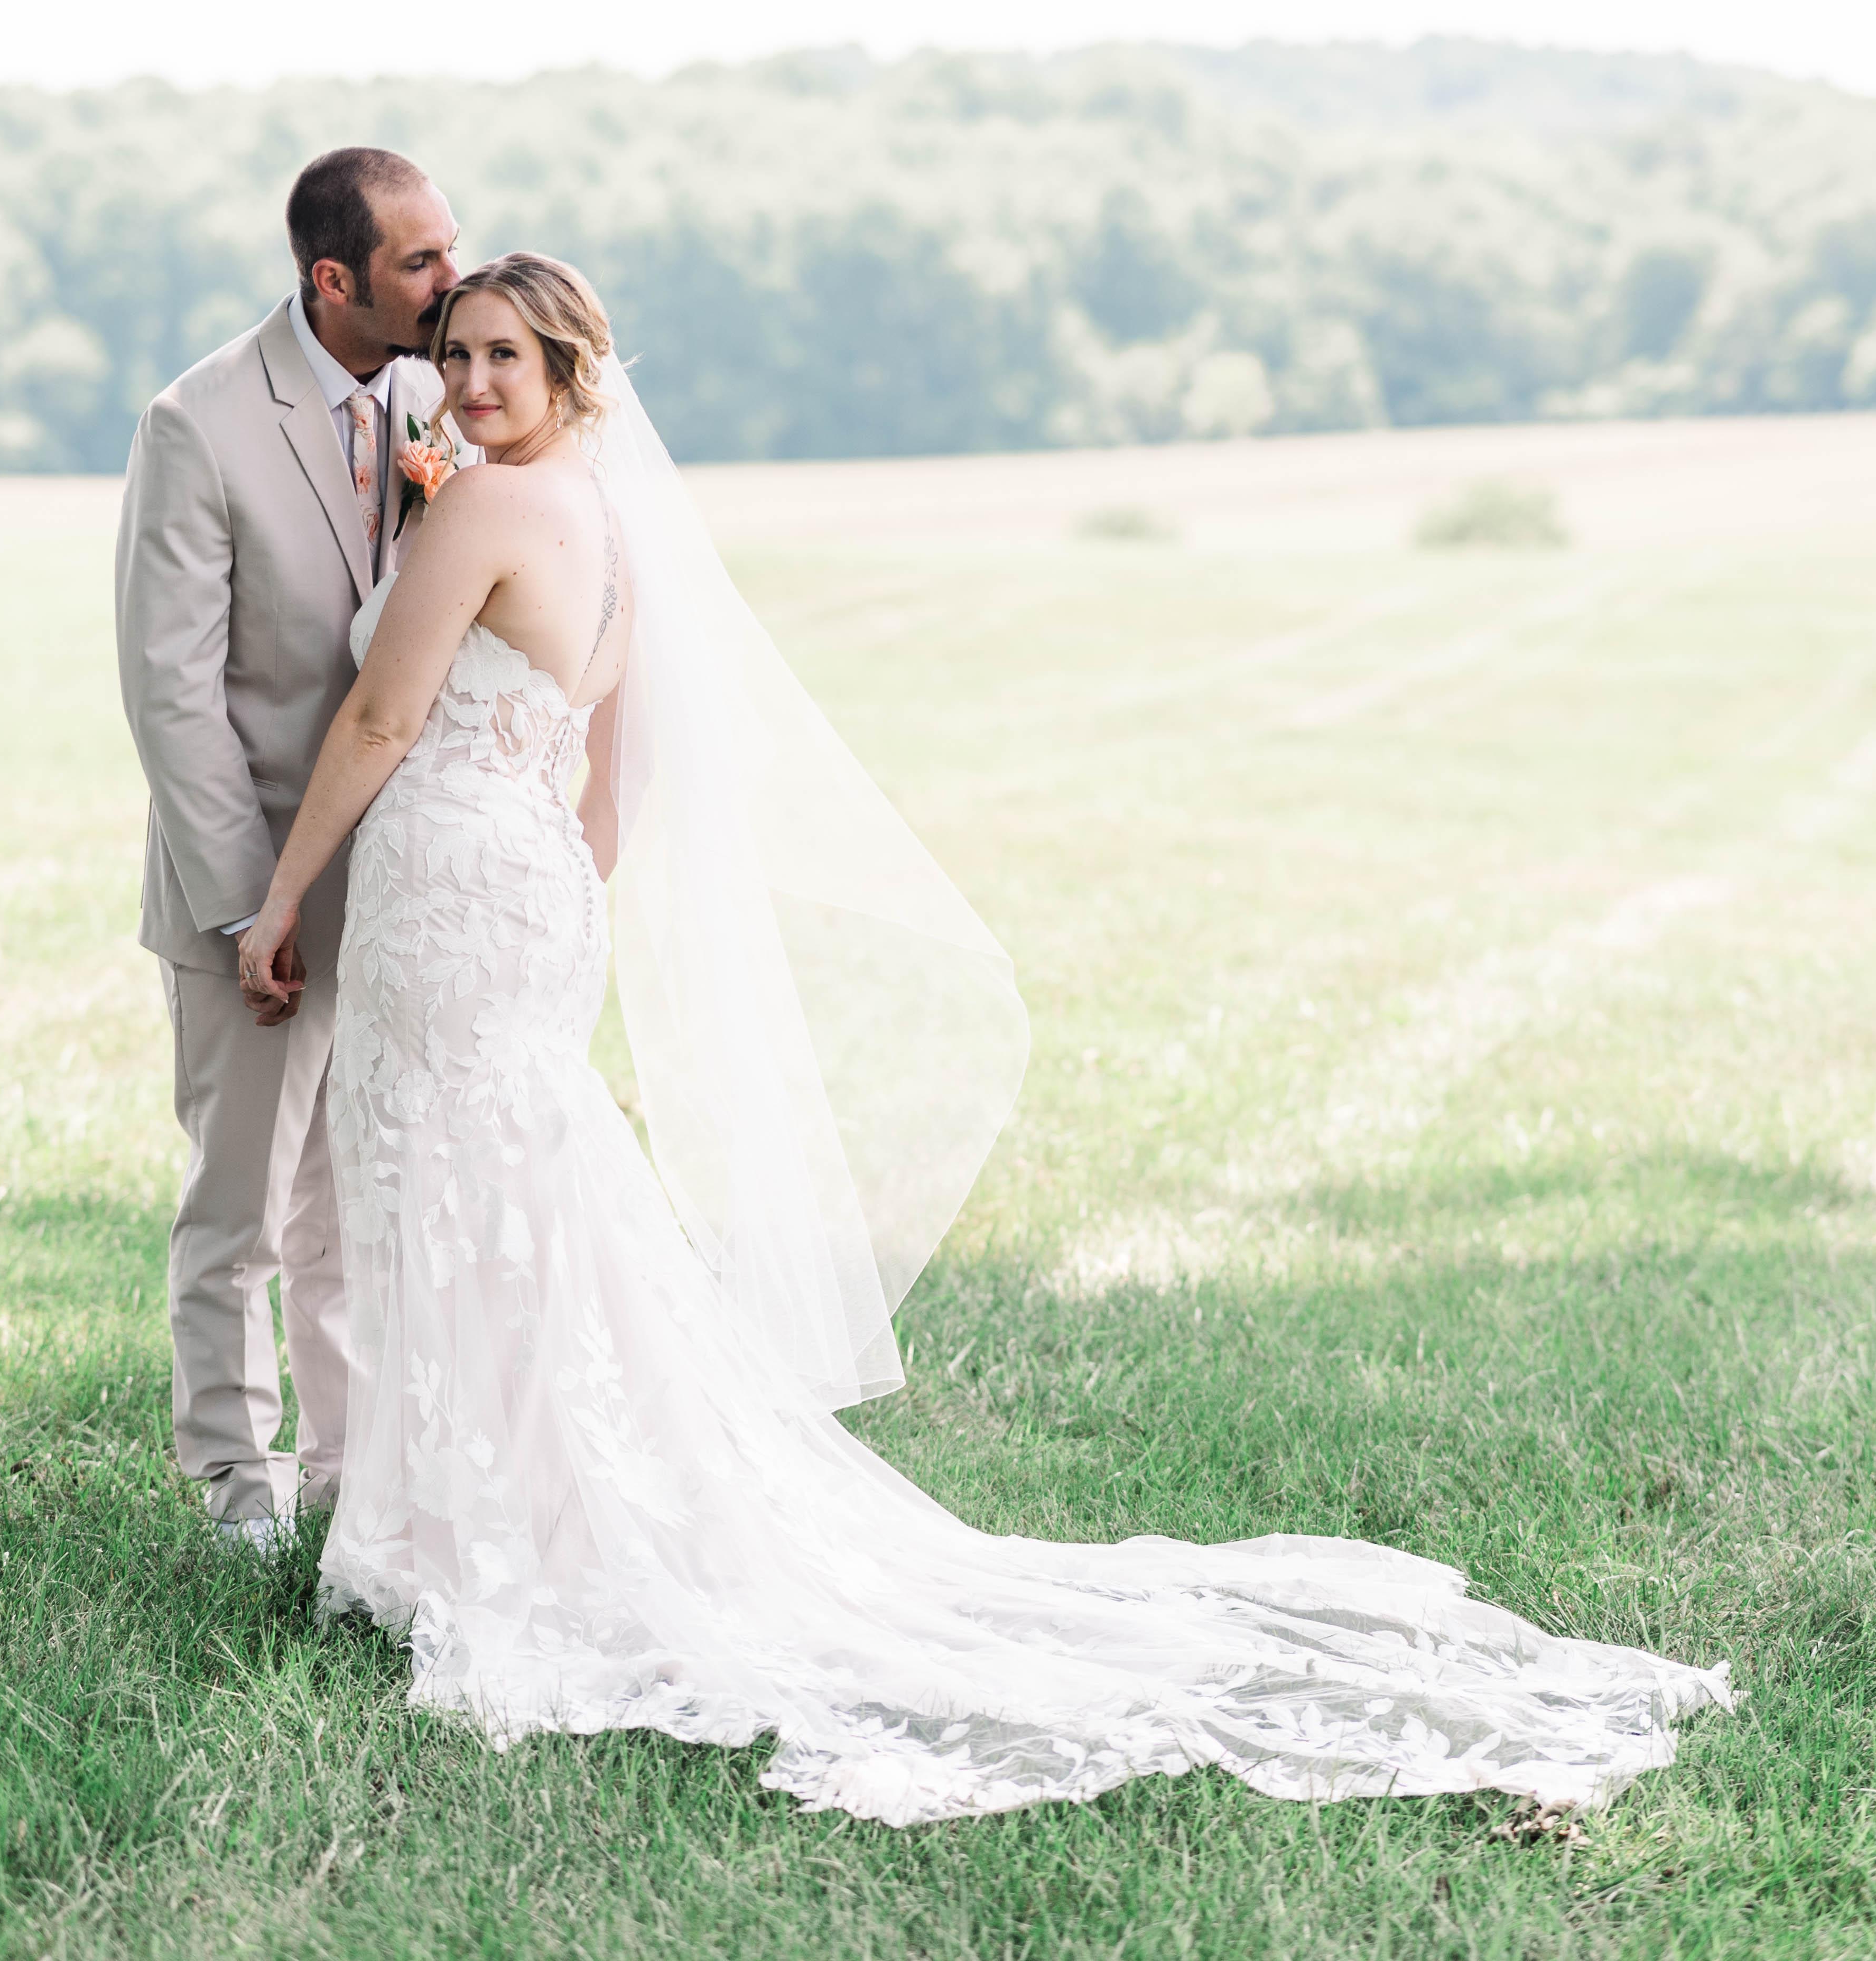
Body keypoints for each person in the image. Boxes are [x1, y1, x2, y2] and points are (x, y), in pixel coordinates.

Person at [233, 251, 1731, 1826]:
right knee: (518, 1186)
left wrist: (281, 901)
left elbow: (384, 719)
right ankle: (512, 1506)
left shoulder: (485, 507)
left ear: (566, 372)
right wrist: (552, 880)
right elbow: (619, 772)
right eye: (458, 355)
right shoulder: (608, 524)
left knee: (458, 1185)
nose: (472, 385)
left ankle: (474, 1532)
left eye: (505, 360)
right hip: (528, 884)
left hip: (454, 877)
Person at [113, 147, 461, 1549]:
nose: (451, 280)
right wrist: (254, 907)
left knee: (353, 1211)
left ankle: (345, 1477)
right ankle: (231, 1492)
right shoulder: (197, 423)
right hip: (251, 888)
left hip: (404, 890)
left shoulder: (443, 395)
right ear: (334, 279)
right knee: (241, 1215)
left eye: (450, 247)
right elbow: (171, 691)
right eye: (420, 262)